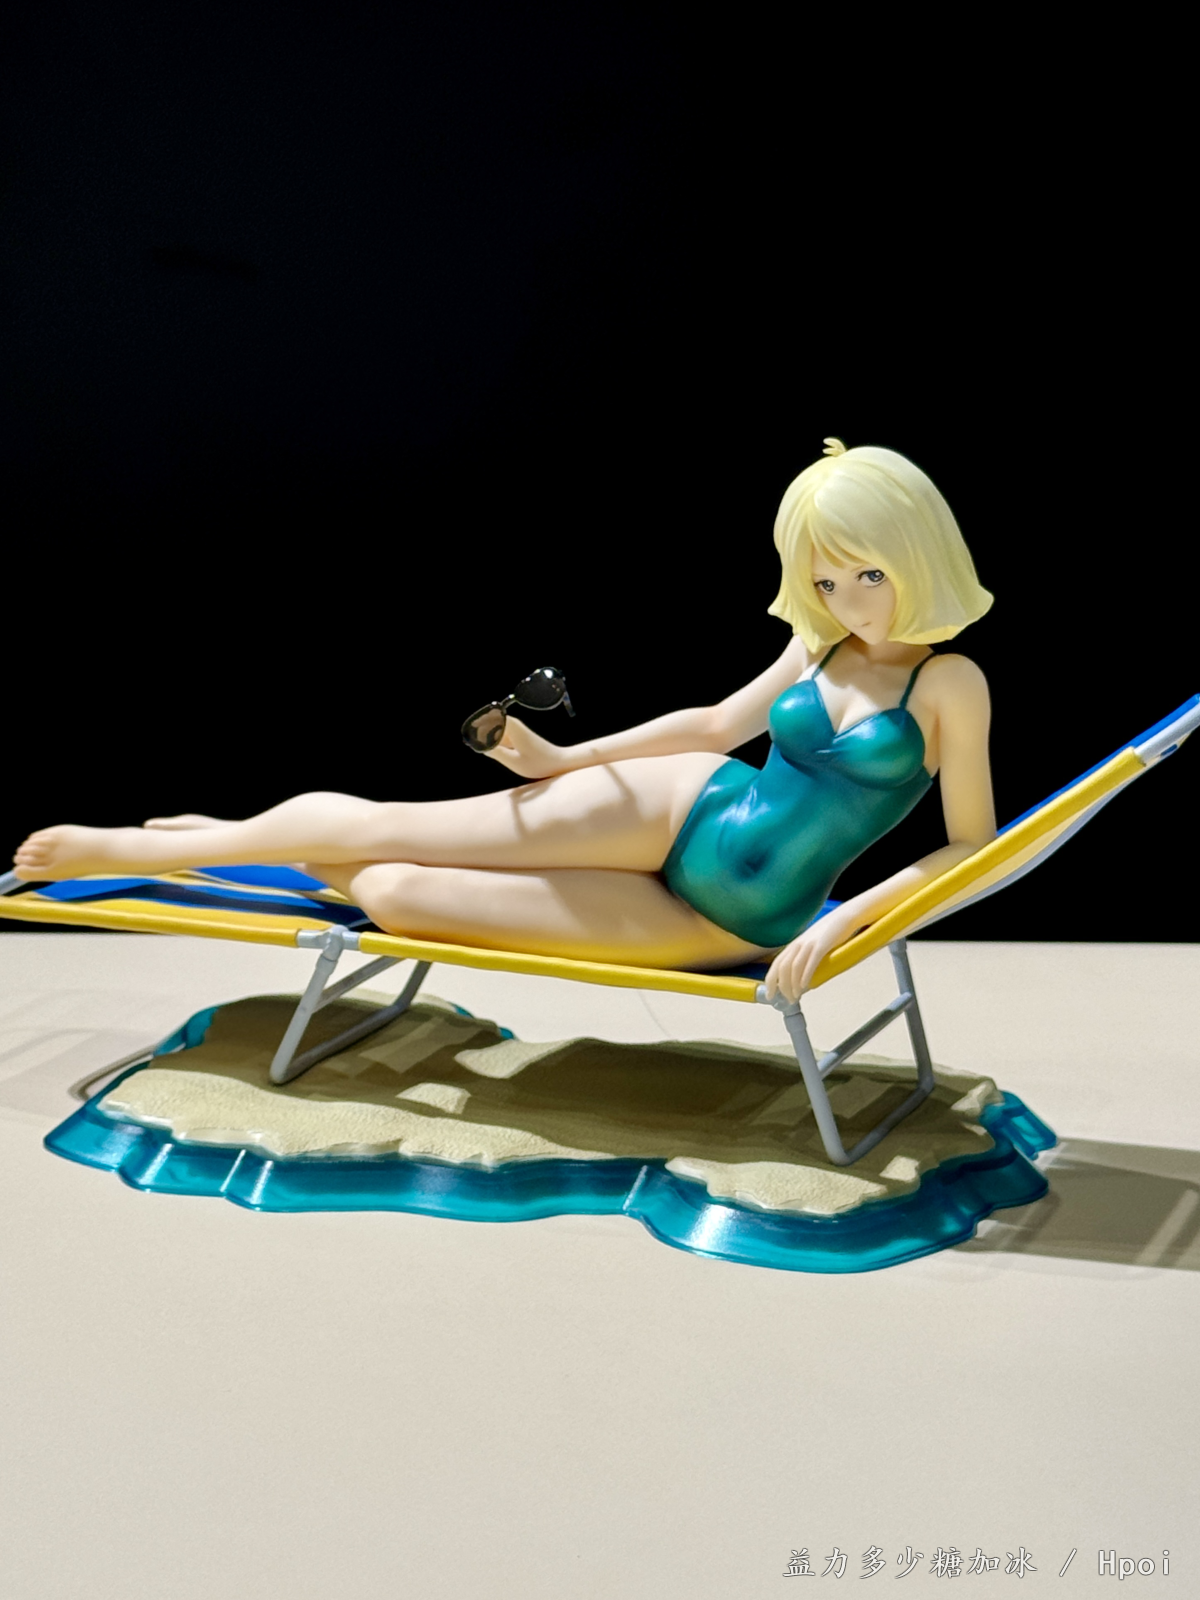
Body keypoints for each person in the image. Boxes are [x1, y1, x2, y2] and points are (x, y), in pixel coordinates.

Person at [11, 440, 996, 1003]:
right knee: (397, 822)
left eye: (867, 573)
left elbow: (970, 847)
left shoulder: (950, 684)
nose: (848, 599)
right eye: (825, 580)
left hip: (729, 918)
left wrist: (844, 921)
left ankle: (252, 843)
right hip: (682, 802)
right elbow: (710, 726)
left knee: (397, 892)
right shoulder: (818, 646)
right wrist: (564, 757)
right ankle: (159, 846)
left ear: (918, 555)